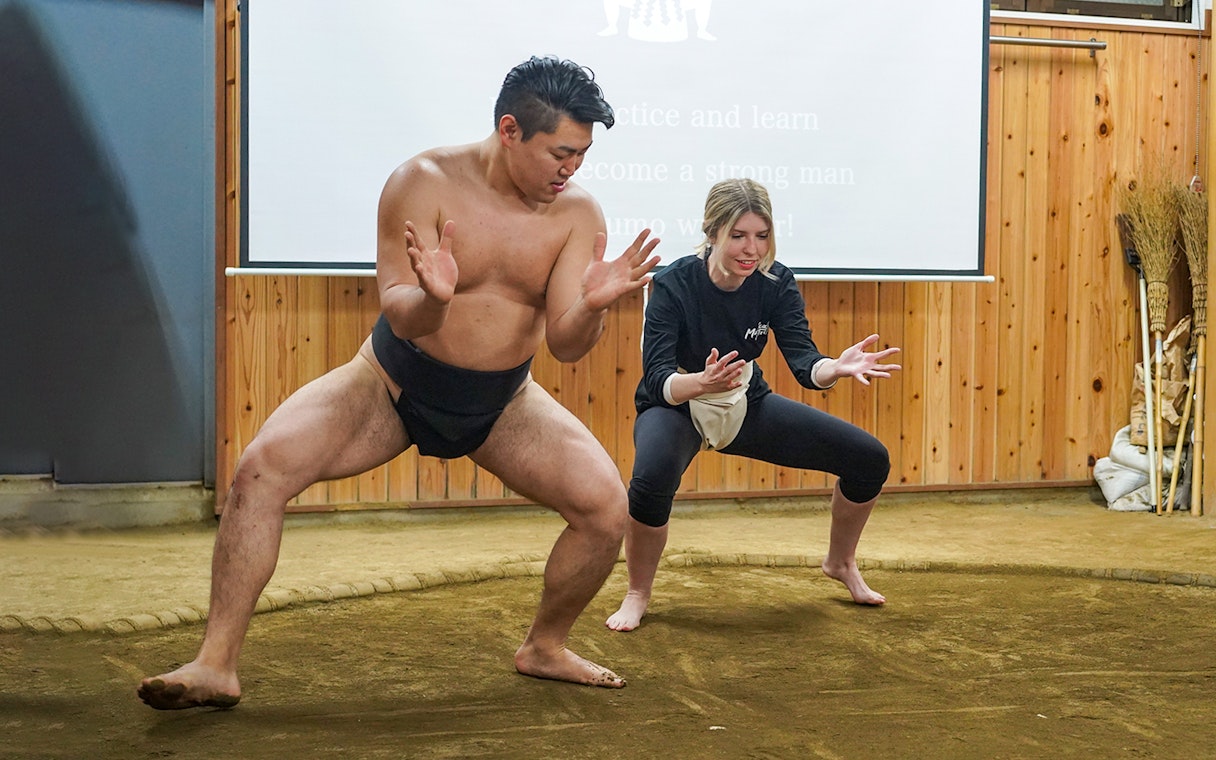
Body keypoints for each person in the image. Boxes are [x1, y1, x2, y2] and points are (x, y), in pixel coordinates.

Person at [138, 55, 660, 710]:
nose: (572, 169)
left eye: (581, 155)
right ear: (509, 129)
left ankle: (544, 647)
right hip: (388, 383)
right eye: (561, 152)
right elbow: (400, 309)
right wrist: (437, 298)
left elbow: (565, 343)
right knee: (259, 471)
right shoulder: (422, 182)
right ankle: (215, 665)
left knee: (605, 511)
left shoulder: (577, 215)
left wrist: (593, 306)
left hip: (503, 402)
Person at [605, 178, 899, 633]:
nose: (751, 249)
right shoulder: (672, 284)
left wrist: (833, 367)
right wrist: (699, 381)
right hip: (676, 405)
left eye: (761, 236)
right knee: (651, 476)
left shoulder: (774, 281)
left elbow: (804, 362)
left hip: (744, 403)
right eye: (738, 236)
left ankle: (840, 563)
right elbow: (658, 379)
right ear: (712, 231)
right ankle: (637, 592)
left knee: (869, 459)